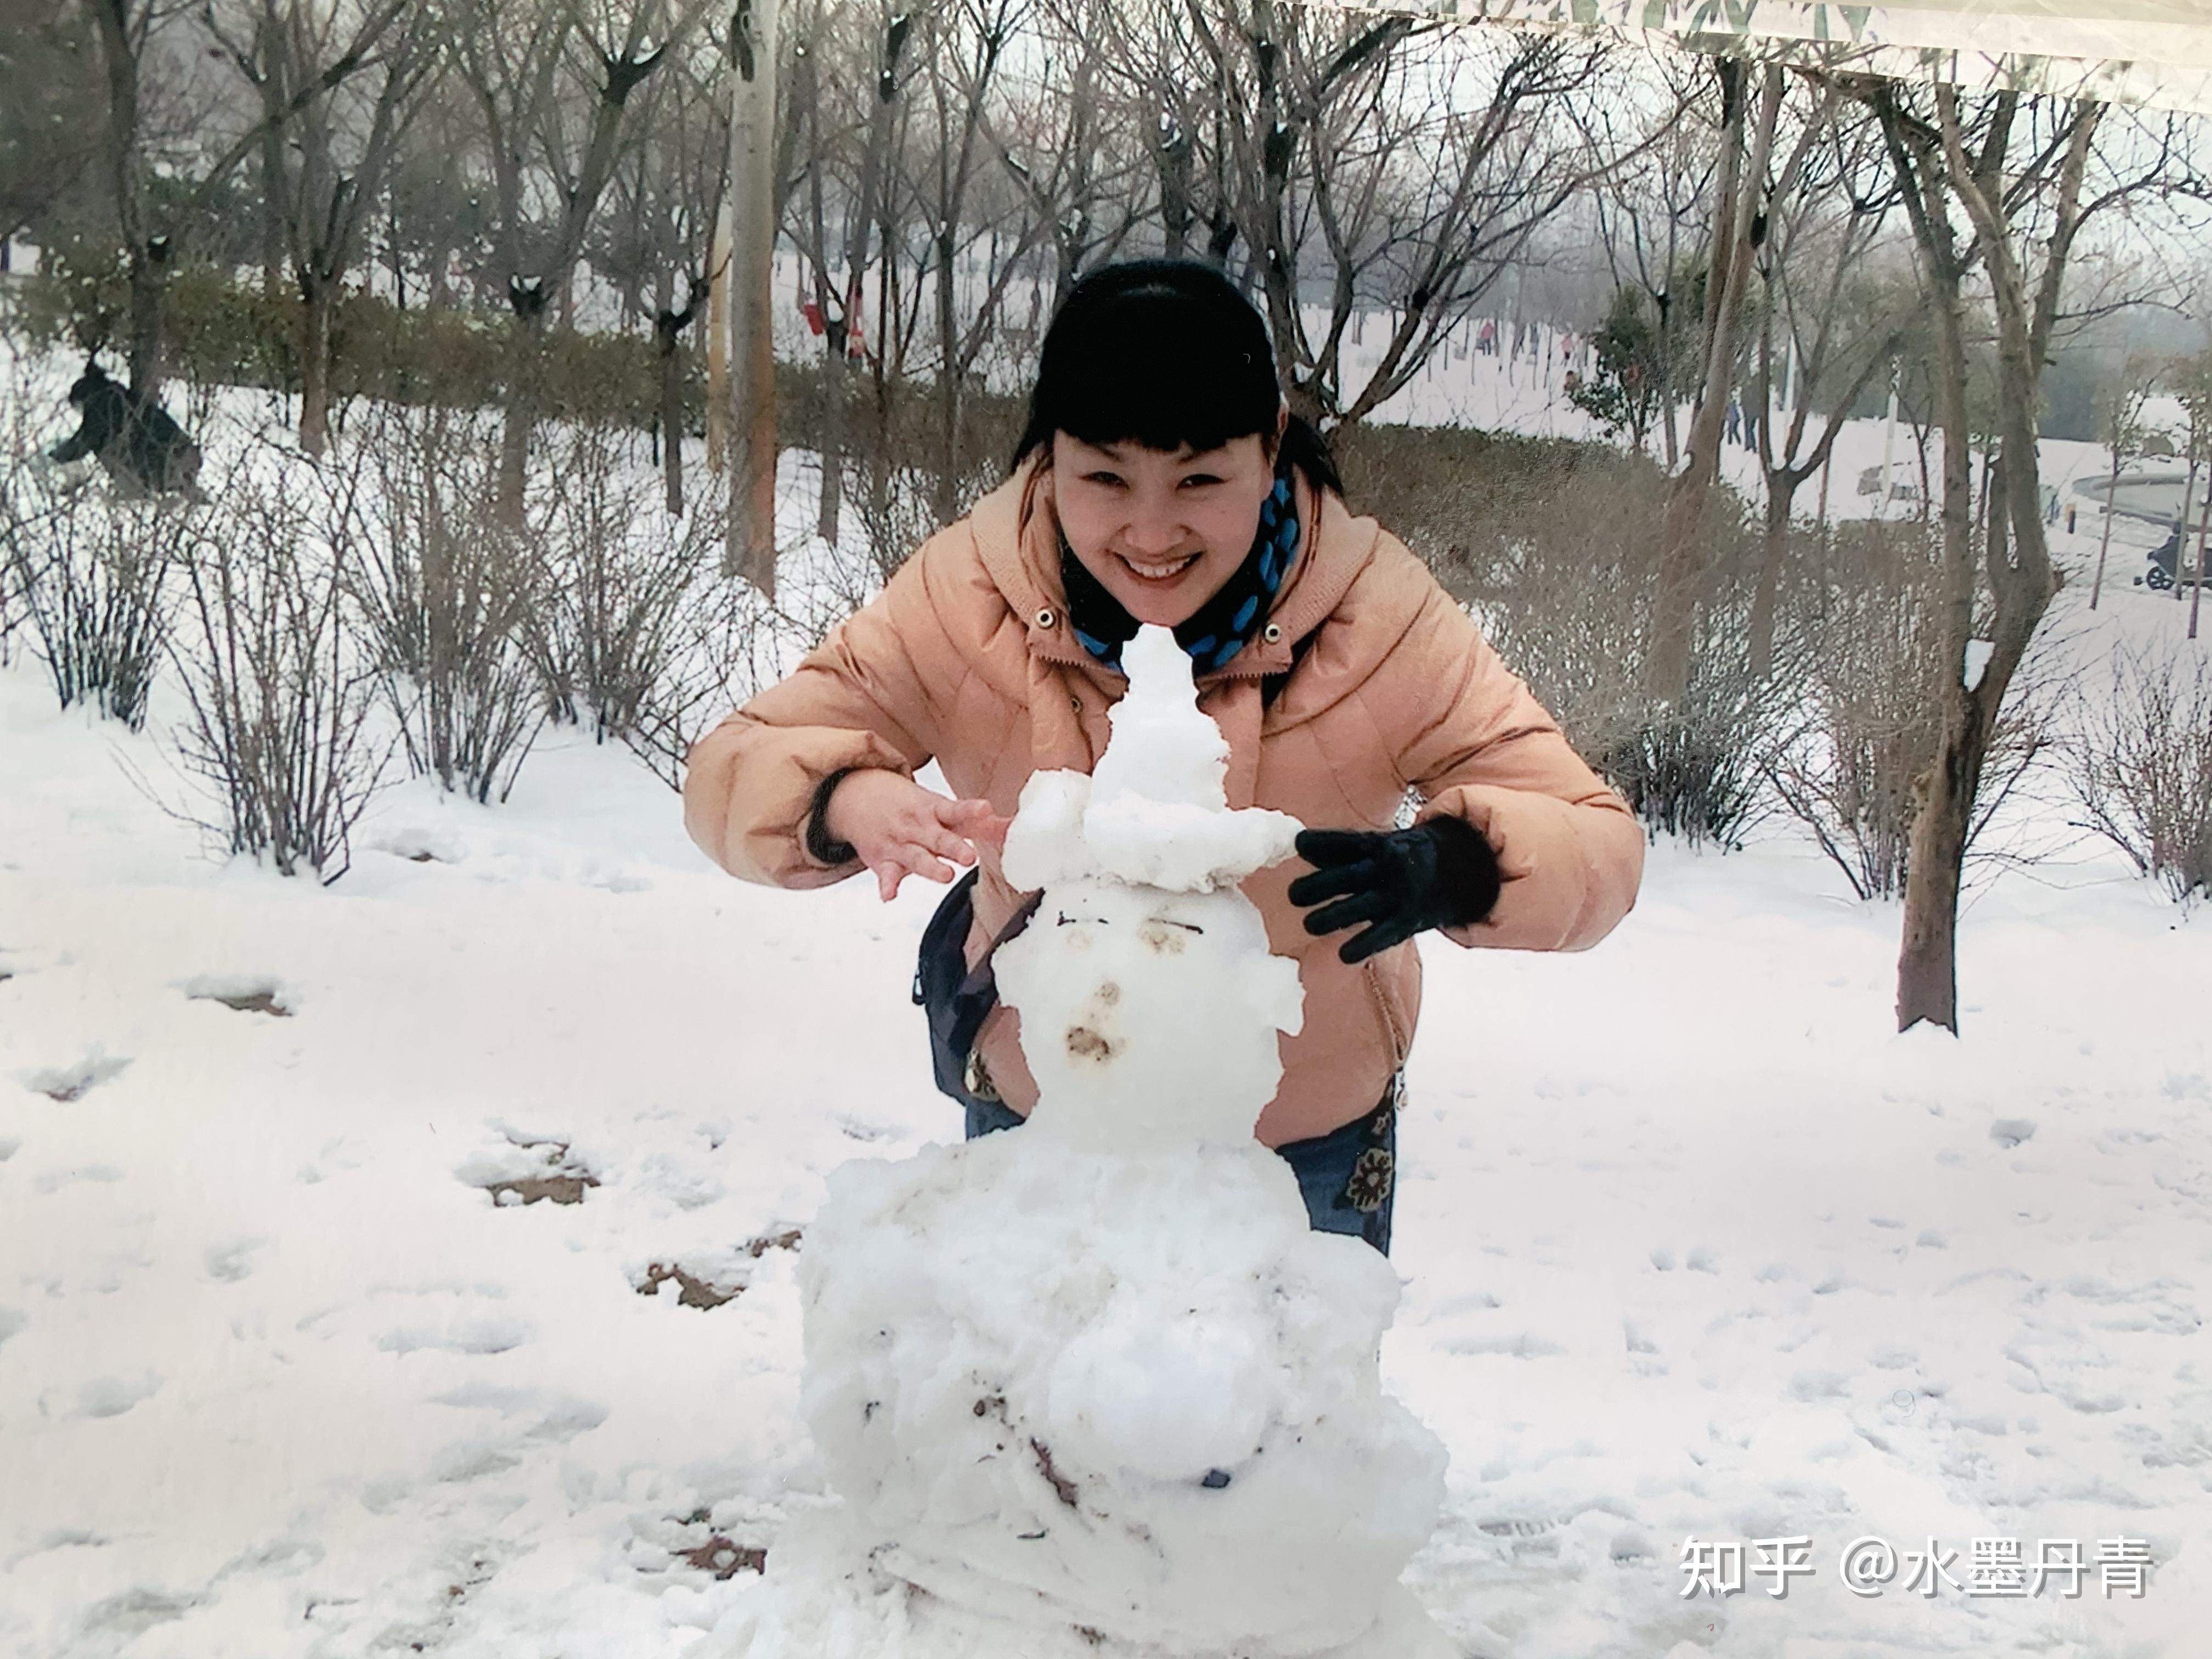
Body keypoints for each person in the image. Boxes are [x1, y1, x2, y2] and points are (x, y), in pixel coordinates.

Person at [682, 259, 1643, 1256]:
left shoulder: (1379, 615)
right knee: (1034, 1404)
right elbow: (735, 760)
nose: (1150, 533)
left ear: (1268, 449)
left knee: (1278, 1411)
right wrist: (841, 794)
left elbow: (1597, 842)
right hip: (1042, 1109)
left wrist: (1456, 863)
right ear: (1047, 457)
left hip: (1298, 1143)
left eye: (1198, 480)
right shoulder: (962, 596)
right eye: (1104, 478)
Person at [46, 361, 204, 499]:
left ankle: (134, 491)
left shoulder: (102, 405)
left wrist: (52, 459)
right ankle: (179, 485)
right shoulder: (123, 398)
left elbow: (83, 443)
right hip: (187, 457)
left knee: (104, 446)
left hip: (168, 464)